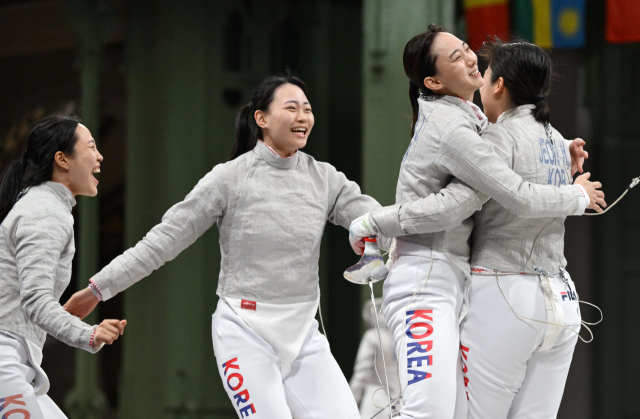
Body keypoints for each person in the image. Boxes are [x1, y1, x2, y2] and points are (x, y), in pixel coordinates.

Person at [64, 74, 384, 418]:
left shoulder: (325, 178)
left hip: (304, 334)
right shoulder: (229, 178)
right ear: (261, 119)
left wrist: (370, 233)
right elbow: (162, 241)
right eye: (291, 108)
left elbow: (374, 217)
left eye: (307, 109)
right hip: (244, 332)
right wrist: (98, 289)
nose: (303, 117)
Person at [348, 25, 605, 419]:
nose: (472, 60)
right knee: (430, 413)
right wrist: (374, 221)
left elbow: (506, 180)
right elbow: (472, 201)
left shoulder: (484, 128)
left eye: (469, 51)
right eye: (457, 57)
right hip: (433, 283)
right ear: (432, 80)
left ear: (500, 84)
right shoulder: (458, 129)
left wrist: (560, 166)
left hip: (484, 287)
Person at [459, 38, 591, 419]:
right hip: (563, 302)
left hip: (505, 293)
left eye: (485, 75)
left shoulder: (495, 137)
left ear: (498, 84)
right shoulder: (555, 138)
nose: (480, 83)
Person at [0, 115, 127, 419]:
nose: (100, 156)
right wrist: (89, 334)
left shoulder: (45, 207)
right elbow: (35, 300)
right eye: (91, 147)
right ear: (62, 159)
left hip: (17, 361)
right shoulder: (44, 213)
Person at [349, 298, 399, 419]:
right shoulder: (400, 338)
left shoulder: (371, 336)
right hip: (399, 402)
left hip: (375, 402)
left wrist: (350, 404)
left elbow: (361, 373)